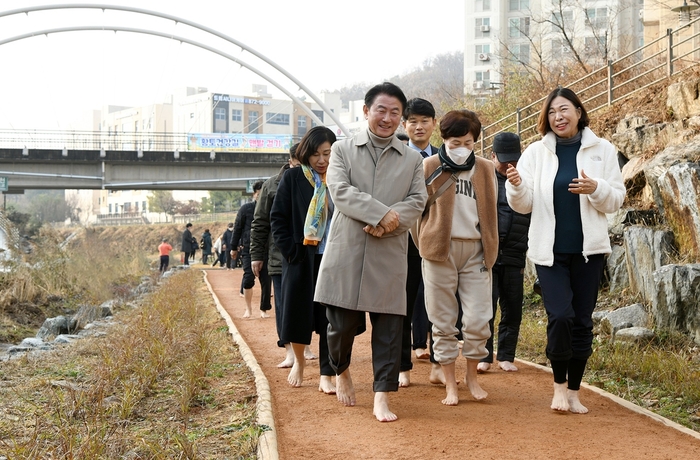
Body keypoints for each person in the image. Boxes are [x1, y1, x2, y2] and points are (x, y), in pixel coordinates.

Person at [505, 87, 625, 413]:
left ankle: (574, 391)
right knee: (561, 316)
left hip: (590, 252)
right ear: (546, 117)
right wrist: (515, 184)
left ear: (578, 111)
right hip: (550, 252)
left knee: (583, 321)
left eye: (564, 110)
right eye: (553, 112)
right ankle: (558, 386)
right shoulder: (535, 153)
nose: (559, 117)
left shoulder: (602, 149)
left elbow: (616, 198)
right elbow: (524, 203)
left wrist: (596, 187)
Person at [314, 82, 427, 422]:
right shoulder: (344, 151)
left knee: (391, 330)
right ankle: (342, 369)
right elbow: (341, 191)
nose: (388, 117)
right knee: (340, 326)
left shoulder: (411, 159)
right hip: (348, 248)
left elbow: (418, 200)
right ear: (366, 111)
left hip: (389, 250)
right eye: (381, 109)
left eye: (395, 112)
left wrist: (390, 222)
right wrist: (381, 213)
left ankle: (382, 397)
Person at [416, 109, 498, 406]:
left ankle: (472, 377)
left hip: (476, 250)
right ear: (444, 139)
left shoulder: (486, 169)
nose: (462, 148)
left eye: (468, 142)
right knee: (442, 321)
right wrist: (428, 242)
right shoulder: (429, 166)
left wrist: (490, 246)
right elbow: (417, 214)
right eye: (455, 142)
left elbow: (492, 211)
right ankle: (451, 383)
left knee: (478, 320)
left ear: (475, 140)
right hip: (439, 252)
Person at [271, 126, 337, 392]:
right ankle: (299, 361)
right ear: (305, 154)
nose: (321, 160)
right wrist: (291, 251)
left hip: (333, 257)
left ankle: (327, 374)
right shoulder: (293, 178)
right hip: (301, 257)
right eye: (315, 154)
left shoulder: (341, 178)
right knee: (298, 314)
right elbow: (278, 219)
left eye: (327, 153)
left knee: (330, 319)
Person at [250, 143, 316, 367]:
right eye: (299, 163)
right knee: (284, 304)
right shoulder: (272, 185)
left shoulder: (320, 181)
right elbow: (261, 223)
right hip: (281, 257)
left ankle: (304, 345)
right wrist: (256, 256)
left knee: (310, 302)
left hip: (312, 255)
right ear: (290, 161)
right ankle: (289, 349)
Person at [477, 132, 531, 374]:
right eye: (504, 159)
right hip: (488, 253)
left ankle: (507, 355)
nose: (510, 165)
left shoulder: (526, 178)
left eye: (515, 159)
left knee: (513, 306)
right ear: (492, 156)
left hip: (515, 252)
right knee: (486, 306)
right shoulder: (483, 179)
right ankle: (484, 355)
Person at [398, 97, 439, 388]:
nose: (419, 126)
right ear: (404, 125)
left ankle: (439, 363)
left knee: (441, 305)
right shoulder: (395, 157)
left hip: (438, 244)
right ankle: (402, 366)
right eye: (413, 121)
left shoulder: (446, 157)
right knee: (402, 305)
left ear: (434, 124)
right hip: (404, 244)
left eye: (425, 121)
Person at [231, 180, 272, 318]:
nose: (261, 197)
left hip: (267, 249)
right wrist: (233, 247)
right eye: (259, 194)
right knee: (248, 278)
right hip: (249, 249)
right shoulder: (246, 209)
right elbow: (237, 228)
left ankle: (263, 309)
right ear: (254, 194)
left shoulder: (271, 208)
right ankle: (248, 309)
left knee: (266, 281)